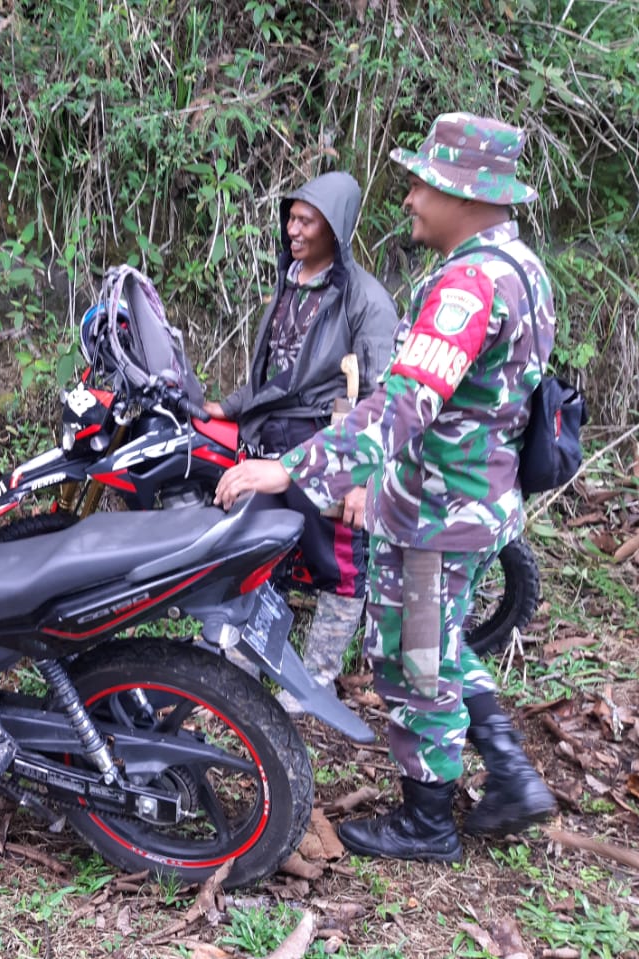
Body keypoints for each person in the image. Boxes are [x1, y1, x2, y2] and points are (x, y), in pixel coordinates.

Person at [212, 112, 559, 861]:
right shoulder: (522, 267)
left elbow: (405, 400)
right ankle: (510, 773)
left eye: (420, 183)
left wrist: (293, 469)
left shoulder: (468, 284)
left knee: (413, 659)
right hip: (482, 493)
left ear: (462, 194)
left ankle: (427, 820)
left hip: (438, 507)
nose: (408, 197)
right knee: (443, 636)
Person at [205, 171, 398, 707]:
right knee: (260, 545)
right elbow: (275, 366)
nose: (294, 229)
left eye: (306, 220)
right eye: (291, 217)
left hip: (325, 444)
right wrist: (234, 405)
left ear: (335, 228)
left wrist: (361, 481)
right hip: (271, 435)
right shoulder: (291, 278)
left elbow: (382, 396)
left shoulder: (367, 301)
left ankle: (314, 678)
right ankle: (250, 657)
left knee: (337, 560)